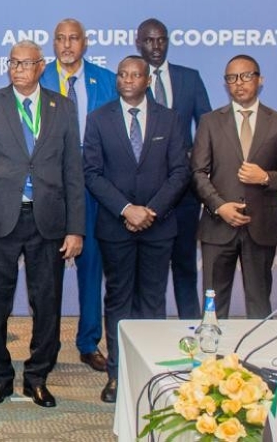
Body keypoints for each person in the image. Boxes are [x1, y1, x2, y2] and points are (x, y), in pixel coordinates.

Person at [0, 40, 84, 408]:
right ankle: (0, 376)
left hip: (47, 219)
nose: (17, 69)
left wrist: (75, 228)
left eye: (25, 63)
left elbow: (73, 170)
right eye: (13, 63)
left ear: (41, 66)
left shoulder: (62, 107)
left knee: (46, 304)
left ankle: (37, 377)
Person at [83, 56, 190, 404]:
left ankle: (151, 373)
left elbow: (180, 172)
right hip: (116, 226)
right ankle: (117, 374)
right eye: (122, 75)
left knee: (152, 301)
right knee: (118, 299)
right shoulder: (98, 119)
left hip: (159, 226)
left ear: (147, 81)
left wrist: (151, 211)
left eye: (135, 75)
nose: (128, 80)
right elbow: (92, 173)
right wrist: (127, 209)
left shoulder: (169, 119)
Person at [193, 55, 277, 318]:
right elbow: (197, 172)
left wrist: (266, 178)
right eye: (232, 78)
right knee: (213, 304)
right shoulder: (210, 121)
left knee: (259, 302)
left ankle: (256, 346)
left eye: (245, 76)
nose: (239, 83)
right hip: (218, 225)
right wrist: (219, 206)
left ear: (260, 80)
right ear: (226, 84)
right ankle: (213, 346)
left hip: (261, 225)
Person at [40, 18, 117, 373]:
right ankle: (46, 343)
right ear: (53, 44)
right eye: (61, 39)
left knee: (91, 266)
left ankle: (88, 342)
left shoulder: (106, 80)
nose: (67, 45)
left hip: (93, 185)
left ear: (85, 43)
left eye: (73, 38)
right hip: (50, 186)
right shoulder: (38, 77)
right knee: (46, 272)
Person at [135, 18, 211, 319]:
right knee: (147, 273)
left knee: (185, 266)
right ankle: (147, 333)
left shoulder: (189, 78)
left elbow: (207, 125)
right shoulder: (131, 79)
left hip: (183, 192)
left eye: (161, 39)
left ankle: (192, 329)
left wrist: (194, 156)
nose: (156, 46)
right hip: (145, 194)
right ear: (138, 43)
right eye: (149, 40)